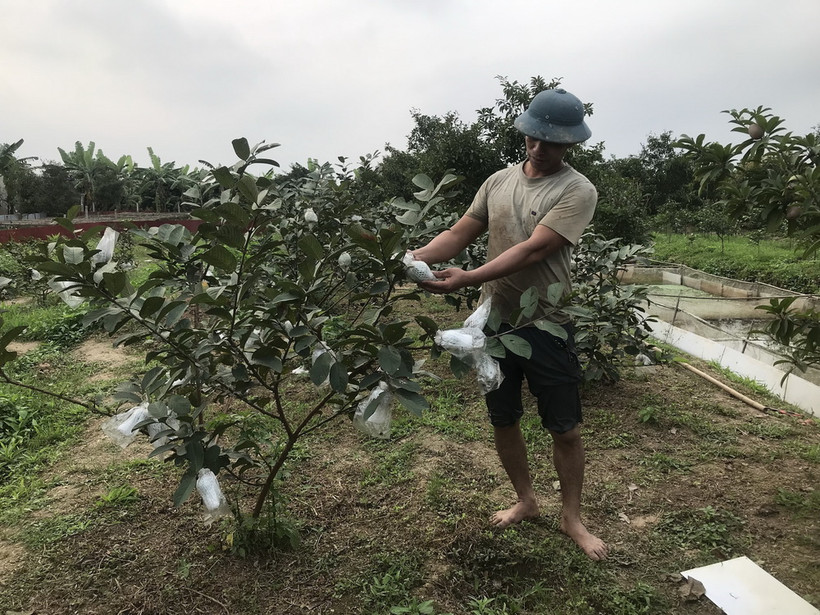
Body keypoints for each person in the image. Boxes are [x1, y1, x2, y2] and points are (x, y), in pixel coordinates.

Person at [410, 88, 608, 560]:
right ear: (525, 132)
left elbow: (536, 248)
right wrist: (411, 260)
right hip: (493, 326)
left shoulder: (577, 191)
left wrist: (469, 277)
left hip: (546, 324)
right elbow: (460, 231)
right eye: (535, 137)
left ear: (570, 145)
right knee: (504, 419)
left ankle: (571, 517)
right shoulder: (497, 181)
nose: (540, 148)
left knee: (565, 429)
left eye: (553, 141)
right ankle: (526, 501)